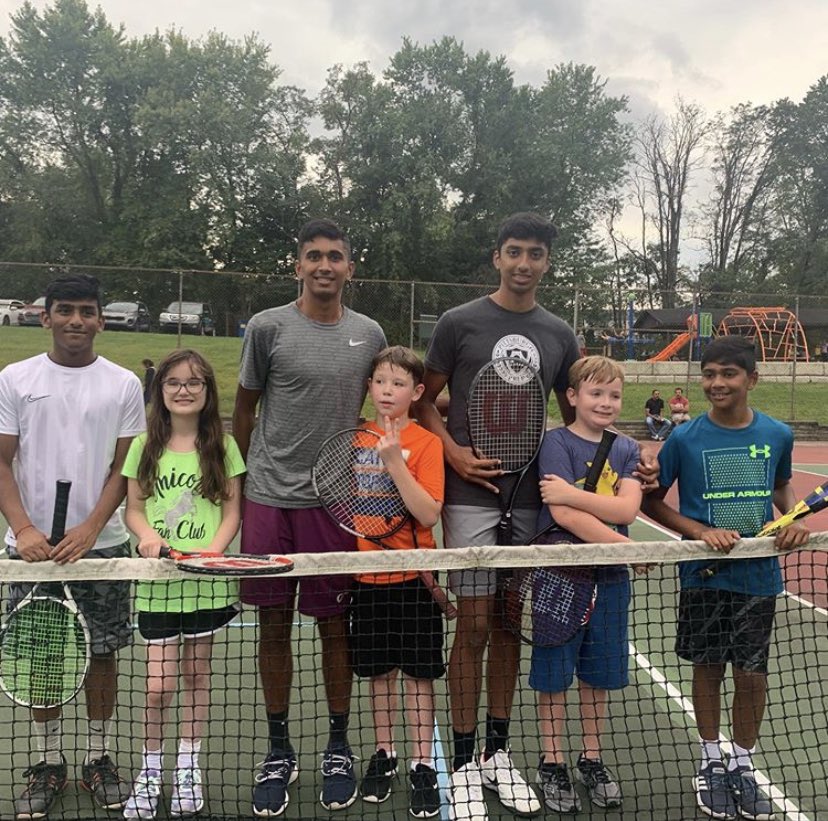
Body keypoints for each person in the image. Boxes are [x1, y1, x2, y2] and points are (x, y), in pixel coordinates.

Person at [417, 212, 580, 821]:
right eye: (514, 251)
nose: (524, 263)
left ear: (545, 262)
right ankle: (461, 762)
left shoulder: (560, 333)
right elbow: (424, 399)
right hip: (470, 499)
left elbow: (577, 413)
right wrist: (453, 451)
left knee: (511, 625)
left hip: (532, 499)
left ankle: (496, 752)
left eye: (535, 254)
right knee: (476, 627)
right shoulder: (458, 323)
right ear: (496, 257)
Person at [232, 218, 386, 816]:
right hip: (269, 501)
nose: (325, 265)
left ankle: (339, 745)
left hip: (335, 504)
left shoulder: (370, 334)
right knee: (272, 626)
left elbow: (405, 395)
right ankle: (278, 747)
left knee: (332, 628)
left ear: (351, 267)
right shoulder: (268, 328)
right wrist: (248, 484)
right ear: (297, 265)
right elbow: (244, 408)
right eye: (314, 256)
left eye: (336, 257)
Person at [641, 336, 810, 821]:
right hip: (704, 576)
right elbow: (654, 502)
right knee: (708, 668)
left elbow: (780, 487)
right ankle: (711, 761)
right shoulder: (685, 437)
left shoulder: (777, 434)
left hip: (758, 577)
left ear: (751, 379)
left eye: (728, 374)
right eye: (709, 374)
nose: (717, 383)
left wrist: (793, 517)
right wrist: (701, 531)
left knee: (752, 674)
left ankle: (741, 763)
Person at [0, 274, 146, 819]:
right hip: (29, 551)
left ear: (101, 320)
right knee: (41, 657)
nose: (76, 320)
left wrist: (90, 528)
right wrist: (26, 530)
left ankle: (98, 757)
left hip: (102, 547)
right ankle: (46, 761)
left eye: (87, 311)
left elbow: (122, 467)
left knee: (102, 654)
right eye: (65, 310)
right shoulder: (14, 379)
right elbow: (1, 460)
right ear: (46, 317)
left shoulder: (125, 384)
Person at [121, 350, 245, 820]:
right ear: (161, 390)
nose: (184, 390)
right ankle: (151, 771)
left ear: (208, 392)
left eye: (194, 383)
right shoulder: (142, 446)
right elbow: (133, 509)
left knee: (196, 678)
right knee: (157, 687)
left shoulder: (223, 447)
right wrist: (148, 535)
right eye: (173, 382)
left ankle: (188, 767)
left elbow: (232, 511)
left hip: (206, 585)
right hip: (157, 585)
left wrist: (214, 550)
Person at [531, 356, 642, 813]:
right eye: (595, 393)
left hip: (612, 580)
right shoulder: (555, 442)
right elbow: (562, 516)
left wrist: (572, 494)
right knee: (554, 674)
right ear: (573, 396)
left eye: (614, 395)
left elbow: (627, 511)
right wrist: (624, 546)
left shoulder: (627, 448)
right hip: (559, 574)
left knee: (597, 677)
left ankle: (591, 758)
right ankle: (552, 761)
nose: (605, 402)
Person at [349, 346, 445, 818]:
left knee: (419, 677)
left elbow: (428, 512)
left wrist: (394, 462)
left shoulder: (426, 444)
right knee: (379, 675)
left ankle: (422, 763)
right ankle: (384, 754)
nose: (388, 391)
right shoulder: (354, 438)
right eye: (380, 382)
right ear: (369, 386)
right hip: (367, 578)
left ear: (417, 391)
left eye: (399, 384)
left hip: (415, 577)